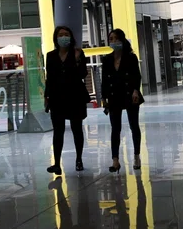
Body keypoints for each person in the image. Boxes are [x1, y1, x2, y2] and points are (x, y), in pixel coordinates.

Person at [44, 25, 90, 173]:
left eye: (66, 34)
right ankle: (57, 163)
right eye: (61, 35)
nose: (64, 37)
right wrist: (47, 96)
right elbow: (49, 78)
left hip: (75, 96)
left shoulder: (78, 53)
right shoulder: (50, 56)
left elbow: (83, 74)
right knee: (58, 131)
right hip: (57, 98)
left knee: (77, 129)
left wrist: (76, 60)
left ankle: (79, 159)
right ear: (56, 38)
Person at [101, 29, 144, 173]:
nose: (113, 42)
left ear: (122, 40)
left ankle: (137, 155)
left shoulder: (131, 57)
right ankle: (115, 160)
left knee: (134, 126)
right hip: (114, 96)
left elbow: (136, 76)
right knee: (115, 128)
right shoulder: (107, 60)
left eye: (116, 39)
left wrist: (136, 90)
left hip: (130, 94)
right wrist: (103, 97)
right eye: (111, 39)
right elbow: (104, 80)